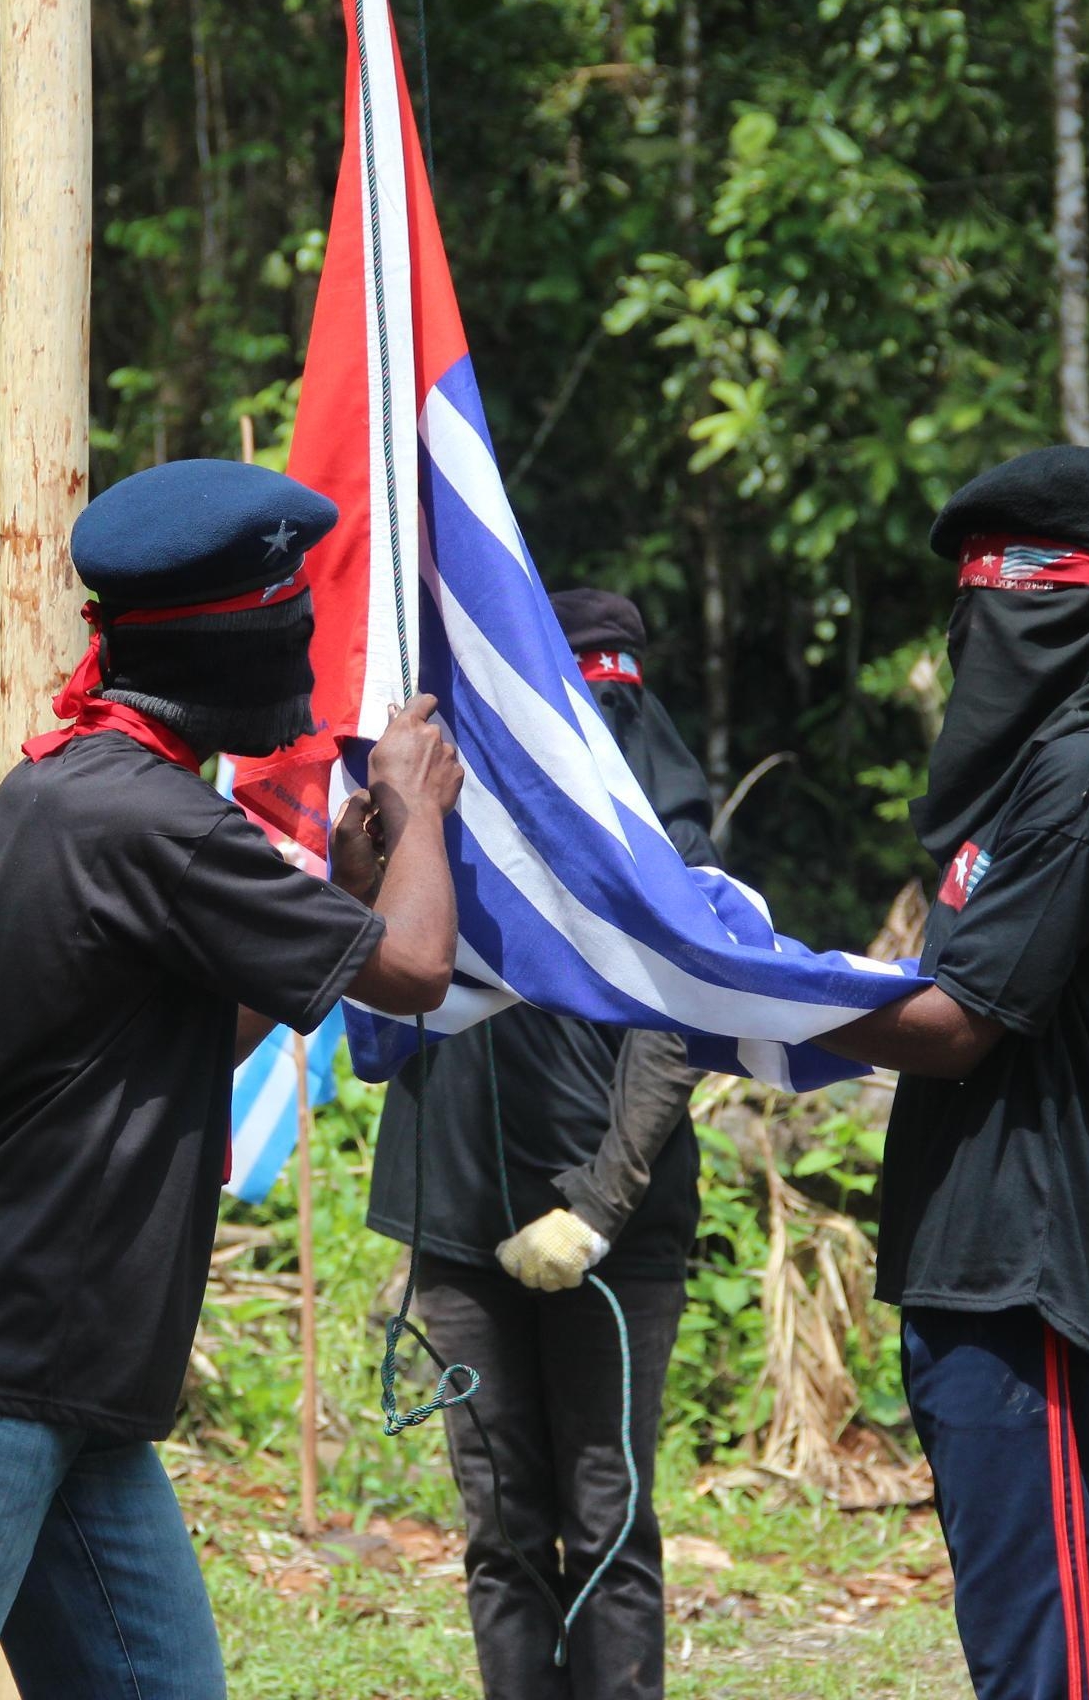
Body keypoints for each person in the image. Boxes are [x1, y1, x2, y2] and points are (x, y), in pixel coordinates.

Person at [0, 457, 466, 1700]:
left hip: (63, 1368)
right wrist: (420, 808)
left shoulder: (68, 793)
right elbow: (415, 970)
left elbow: (195, 1038)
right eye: (289, 628)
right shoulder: (151, 823)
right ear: (226, 652)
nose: (305, 664)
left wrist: (342, 894)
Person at [814, 445, 1089, 1700]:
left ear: (1070, 611)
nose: (979, 635)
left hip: (1036, 1256)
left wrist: (753, 1001)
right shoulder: (1051, 764)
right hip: (983, 1247)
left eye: (1009, 598)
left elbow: (961, 1023)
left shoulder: (1088, 774)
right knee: (1032, 1623)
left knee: (1045, 1649)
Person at [365, 587, 719, 1700]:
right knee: (503, 1523)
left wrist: (600, 1205)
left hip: (616, 1230)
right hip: (458, 1211)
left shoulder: (663, 814)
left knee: (608, 1519)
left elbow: (682, 1020)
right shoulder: (447, 800)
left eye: (618, 680)